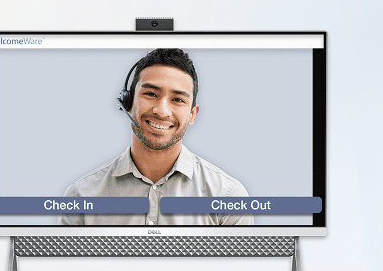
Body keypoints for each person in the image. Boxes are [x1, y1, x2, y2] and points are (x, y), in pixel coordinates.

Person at [60, 47, 252, 225]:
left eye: (178, 99)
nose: (162, 111)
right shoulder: (81, 197)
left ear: (193, 114)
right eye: (151, 94)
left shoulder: (228, 197)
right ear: (127, 103)